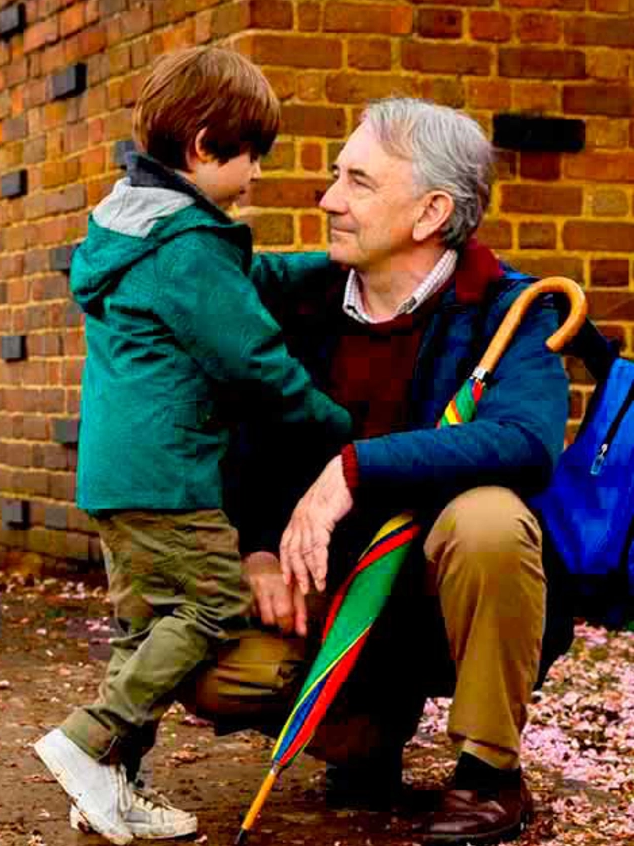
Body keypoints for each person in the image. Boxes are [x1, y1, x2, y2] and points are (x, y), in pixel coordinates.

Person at [194, 96, 572, 846]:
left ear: (431, 212)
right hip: (329, 596)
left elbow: (527, 441)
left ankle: (489, 773)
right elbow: (238, 428)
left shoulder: (509, 310)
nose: (328, 200)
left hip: (436, 593)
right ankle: (363, 730)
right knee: (208, 667)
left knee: (490, 520)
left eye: (358, 182)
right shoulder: (298, 297)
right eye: (338, 176)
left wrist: (356, 468)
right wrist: (257, 551)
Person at [31, 46, 353, 845]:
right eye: (251, 157)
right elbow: (253, 360)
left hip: (118, 476)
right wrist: (341, 431)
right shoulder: (186, 246)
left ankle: (110, 787)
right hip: (171, 475)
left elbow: (238, 284)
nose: (256, 175)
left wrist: (331, 266)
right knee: (213, 603)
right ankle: (86, 740)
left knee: (143, 630)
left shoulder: (139, 228)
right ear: (206, 147)